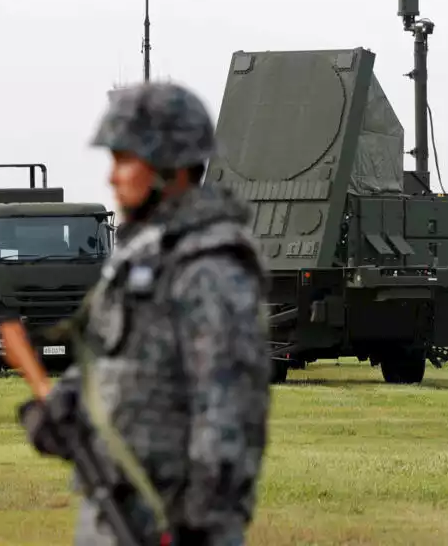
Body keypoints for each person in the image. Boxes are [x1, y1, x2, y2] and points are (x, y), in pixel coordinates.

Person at [17, 81, 272, 545]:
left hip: (175, 524)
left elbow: (230, 410)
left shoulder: (209, 267)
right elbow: (112, 359)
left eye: (124, 160)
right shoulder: (139, 257)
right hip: (114, 511)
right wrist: (65, 405)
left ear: (168, 167)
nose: (111, 177)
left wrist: (200, 522)